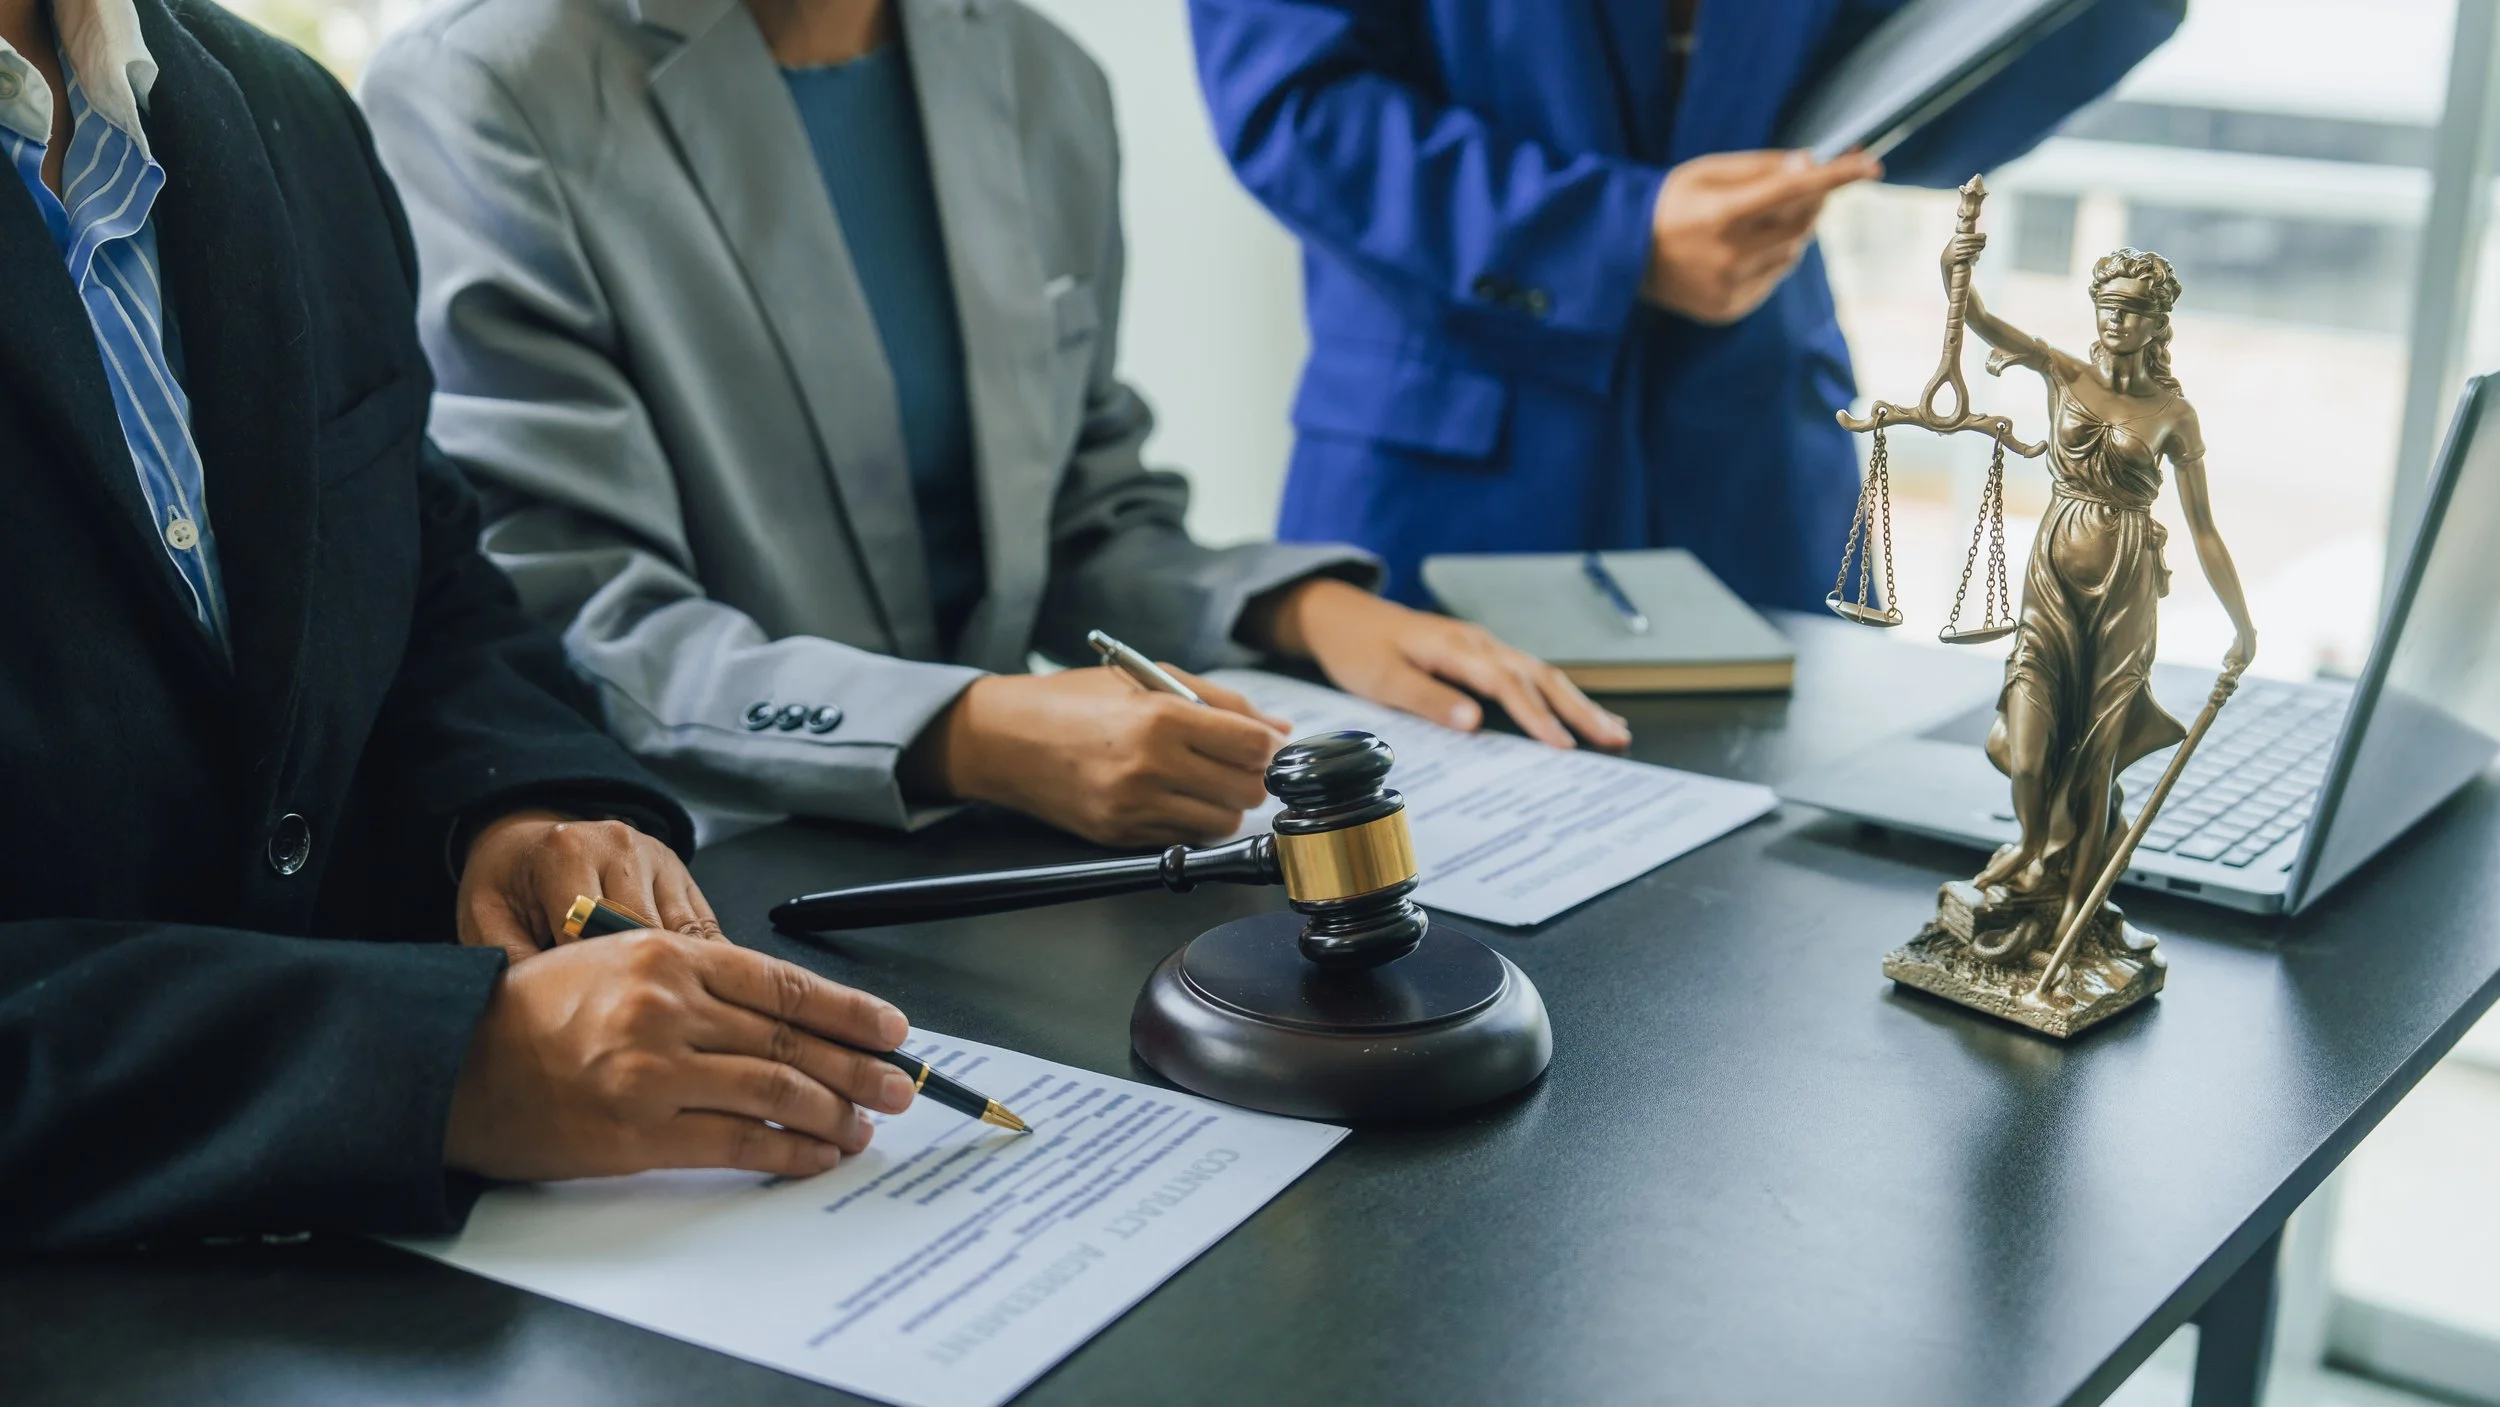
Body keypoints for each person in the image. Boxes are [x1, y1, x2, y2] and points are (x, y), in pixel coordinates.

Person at [1, 0, 920, 1250]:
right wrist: (430, 1066)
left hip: (402, 1270)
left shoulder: (285, 107)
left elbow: (420, 568)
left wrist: (516, 806)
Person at [359, 0, 1630, 855]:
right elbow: (582, 626)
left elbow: (1081, 505)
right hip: (703, 861)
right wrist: (967, 731)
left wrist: (1296, 614)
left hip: (1010, 854)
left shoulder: (1040, 74)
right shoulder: (485, 90)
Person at [1186, 0, 2188, 610]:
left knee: (1784, 923)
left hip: (1758, 465)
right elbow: (1295, 103)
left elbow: (1918, 89)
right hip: (1448, 477)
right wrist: (1613, 237)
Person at [1956, 244, 2255, 950]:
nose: (2115, 320)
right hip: (2050, 579)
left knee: (2095, 754)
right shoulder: (2066, 372)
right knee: (2030, 748)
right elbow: (1978, 317)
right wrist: (1955, 264)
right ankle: (2031, 852)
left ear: (2158, 323)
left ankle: (2072, 917)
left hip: (2124, 586)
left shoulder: (2174, 414)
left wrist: (2242, 624)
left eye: (2132, 310)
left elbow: (2205, 529)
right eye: (2107, 307)